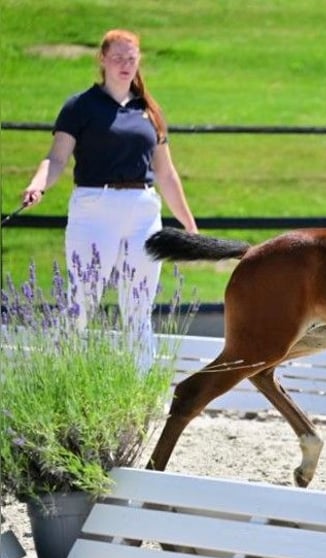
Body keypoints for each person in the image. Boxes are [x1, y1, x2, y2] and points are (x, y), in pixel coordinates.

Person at [20, 28, 198, 365]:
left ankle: (143, 391)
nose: (125, 65)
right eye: (117, 58)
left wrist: (189, 225)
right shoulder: (80, 107)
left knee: (139, 305)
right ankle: (60, 373)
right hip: (94, 207)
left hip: (143, 210)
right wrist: (38, 184)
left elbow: (166, 173)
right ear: (102, 59)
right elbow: (56, 158)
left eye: (131, 58)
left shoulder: (150, 111)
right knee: (83, 301)